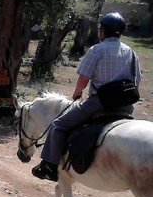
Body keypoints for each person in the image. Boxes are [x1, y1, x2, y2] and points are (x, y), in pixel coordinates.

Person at [32, 12, 142, 182]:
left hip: (100, 104)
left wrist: (77, 93)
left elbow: (84, 78)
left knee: (58, 125)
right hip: (126, 107)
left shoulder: (97, 50)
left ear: (103, 31)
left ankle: (50, 166)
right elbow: (136, 82)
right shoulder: (131, 52)